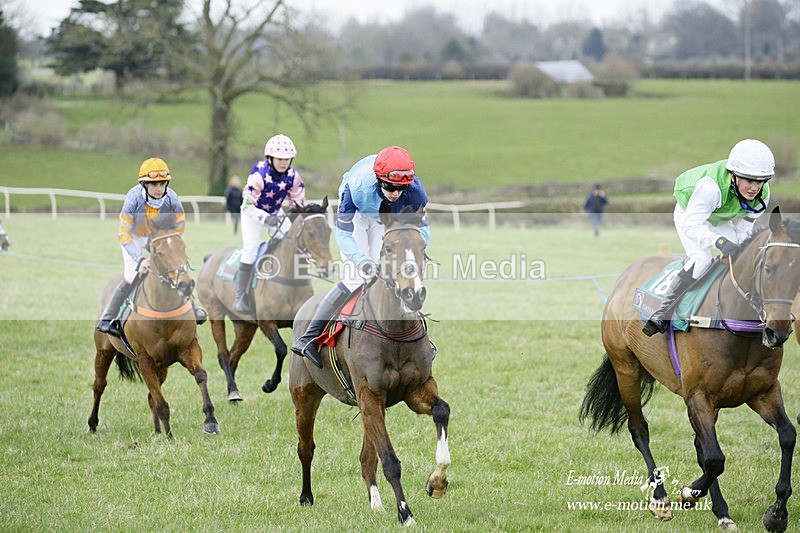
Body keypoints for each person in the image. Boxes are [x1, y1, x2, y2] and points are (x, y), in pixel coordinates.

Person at [291, 145, 430, 368]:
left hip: (382, 218)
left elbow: (422, 230)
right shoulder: (356, 187)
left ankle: (414, 340)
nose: (395, 193)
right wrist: (360, 260)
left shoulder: (415, 192)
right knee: (357, 277)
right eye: (390, 186)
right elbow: (343, 232)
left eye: (400, 188)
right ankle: (309, 337)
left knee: (389, 273)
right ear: (378, 180)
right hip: (356, 214)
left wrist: (413, 254)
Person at [642, 139, 774, 337]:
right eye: (749, 180)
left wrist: (738, 249)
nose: (755, 188)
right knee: (702, 260)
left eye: (760, 181)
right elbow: (692, 225)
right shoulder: (710, 187)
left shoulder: (763, 194)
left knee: (741, 257)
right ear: (733, 175)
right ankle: (663, 312)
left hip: (719, 217)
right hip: (690, 215)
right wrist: (719, 242)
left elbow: (746, 228)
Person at [96, 157, 207, 337]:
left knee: (176, 269)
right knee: (132, 276)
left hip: (155, 237)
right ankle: (108, 318)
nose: (158, 188)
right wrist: (140, 260)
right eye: (153, 184)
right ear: (144, 185)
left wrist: (167, 241)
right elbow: (123, 234)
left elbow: (180, 224)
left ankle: (193, 308)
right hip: (132, 238)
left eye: (162, 184)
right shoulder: (133, 198)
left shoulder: (172, 197)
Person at [233, 134, 306, 314]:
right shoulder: (259, 175)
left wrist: (293, 216)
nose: (283, 163)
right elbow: (248, 205)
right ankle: (240, 295)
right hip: (252, 213)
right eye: (280, 159)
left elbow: (298, 203)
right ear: (270, 158)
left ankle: (294, 282)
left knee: (292, 241)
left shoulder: (293, 176)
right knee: (250, 248)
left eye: (287, 159)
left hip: (275, 212)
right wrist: (266, 219)